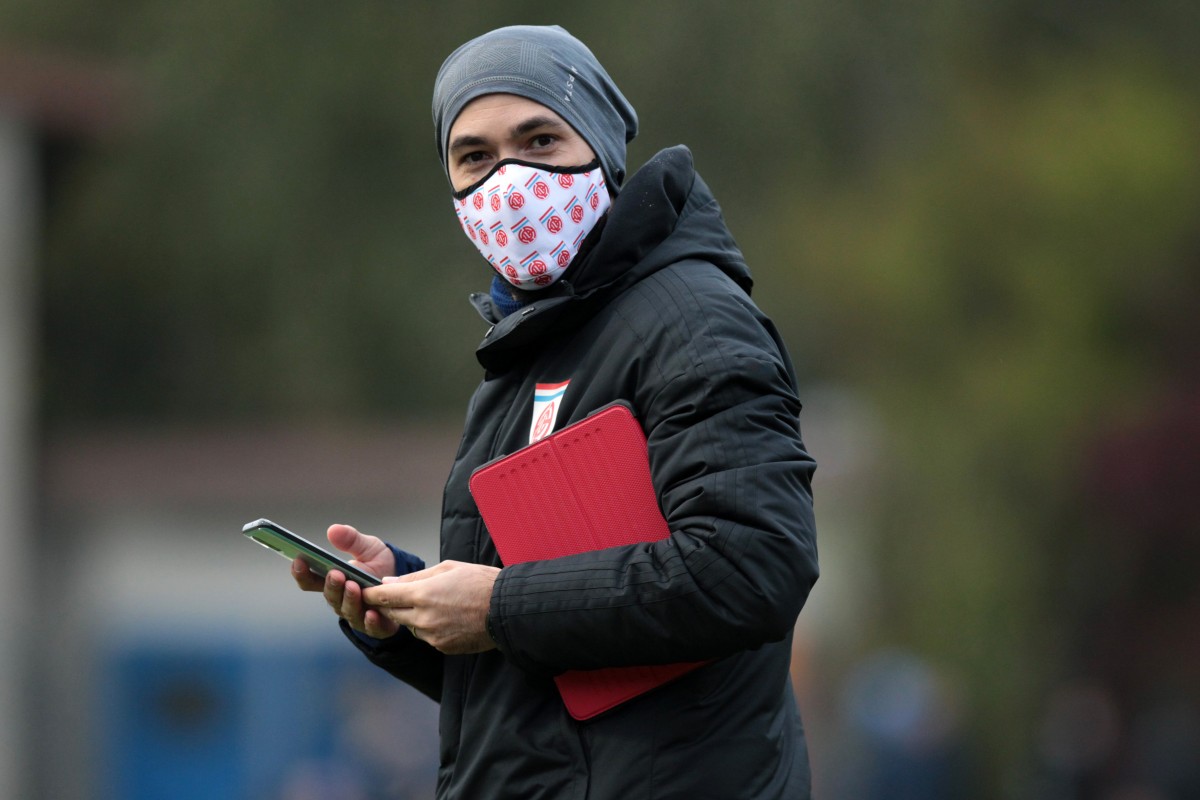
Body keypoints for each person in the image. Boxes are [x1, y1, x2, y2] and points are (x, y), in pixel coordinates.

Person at [292, 24, 819, 799]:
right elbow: (550, 675)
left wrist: (498, 605)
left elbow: (751, 566)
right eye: (473, 155)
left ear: (601, 150)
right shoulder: (528, 352)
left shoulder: (691, 321)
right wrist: (411, 606)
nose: (508, 178)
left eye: (539, 139)